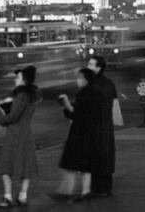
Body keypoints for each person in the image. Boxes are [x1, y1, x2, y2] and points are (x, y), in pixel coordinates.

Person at [58, 67, 108, 201]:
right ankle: (85, 191)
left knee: (73, 164)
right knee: (86, 165)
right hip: (92, 133)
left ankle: (69, 192)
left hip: (81, 134)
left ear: (86, 79)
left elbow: (77, 114)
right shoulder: (97, 92)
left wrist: (67, 104)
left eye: (80, 77)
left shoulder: (85, 94)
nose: (78, 80)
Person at [0, 65, 40, 209]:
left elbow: (14, 116)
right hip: (26, 133)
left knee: (7, 165)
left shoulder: (21, 96)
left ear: (24, 80)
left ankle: (8, 196)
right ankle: (22, 195)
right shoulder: (32, 96)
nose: (15, 79)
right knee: (25, 165)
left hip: (15, 133)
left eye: (18, 77)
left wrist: (3, 117)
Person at [85, 54, 118, 197]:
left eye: (91, 65)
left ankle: (97, 188)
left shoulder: (92, 85)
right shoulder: (109, 83)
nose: (88, 67)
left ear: (98, 68)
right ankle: (106, 187)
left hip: (94, 126)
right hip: (106, 126)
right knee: (106, 156)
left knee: (95, 156)